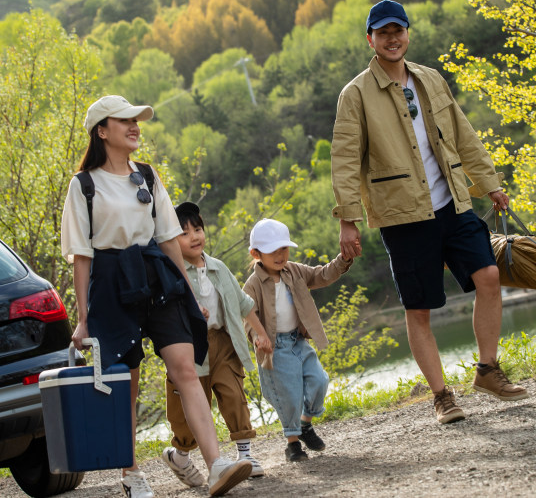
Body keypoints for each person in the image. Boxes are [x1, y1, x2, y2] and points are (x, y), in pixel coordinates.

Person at [330, 0, 529, 425]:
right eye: (383, 33)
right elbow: (345, 160)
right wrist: (347, 219)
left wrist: (490, 182)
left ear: (407, 33)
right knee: (419, 309)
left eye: (397, 30)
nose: (392, 39)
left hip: (453, 201)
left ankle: (488, 371)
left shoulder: (430, 79)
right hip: (402, 214)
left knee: (489, 276)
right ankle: (441, 397)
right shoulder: (356, 94)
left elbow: (463, 133)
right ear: (371, 39)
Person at [61, 95, 252, 498]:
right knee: (125, 388)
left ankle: (216, 463)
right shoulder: (84, 186)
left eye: (137, 120)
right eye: (125, 120)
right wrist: (82, 319)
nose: (135, 126)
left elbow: (168, 238)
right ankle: (131, 475)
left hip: (158, 279)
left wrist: (186, 291)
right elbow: (81, 256)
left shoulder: (147, 176)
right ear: (102, 130)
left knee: (186, 367)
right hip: (111, 284)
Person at [161, 202, 271, 487]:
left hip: (224, 342)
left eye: (197, 229)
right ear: (172, 240)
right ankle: (181, 455)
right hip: (189, 347)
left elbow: (244, 304)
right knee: (186, 411)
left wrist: (260, 334)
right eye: (185, 233)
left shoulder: (218, 268)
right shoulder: (172, 273)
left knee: (234, 393)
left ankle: (245, 454)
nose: (195, 236)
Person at [242, 219, 352, 462]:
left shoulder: (294, 270)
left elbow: (321, 275)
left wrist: (342, 261)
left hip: (297, 341)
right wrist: (257, 337)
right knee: (288, 395)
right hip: (276, 347)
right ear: (256, 253)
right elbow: (247, 314)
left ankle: (305, 425)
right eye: (273, 251)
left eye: (284, 248)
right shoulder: (253, 284)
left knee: (319, 380)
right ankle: (292, 443)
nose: (280, 255)